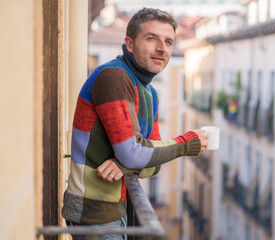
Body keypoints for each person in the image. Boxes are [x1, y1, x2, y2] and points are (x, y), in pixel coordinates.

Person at [62, 7, 208, 239]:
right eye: (151, 39)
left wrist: (126, 165)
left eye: (169, 42)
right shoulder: (114, 77)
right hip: (94, 214)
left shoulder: (150, 92)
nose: (162, 49)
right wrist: (185, 144)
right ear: (129, 44)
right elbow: (135, 153)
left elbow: (153, 161)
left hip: (115, 211)